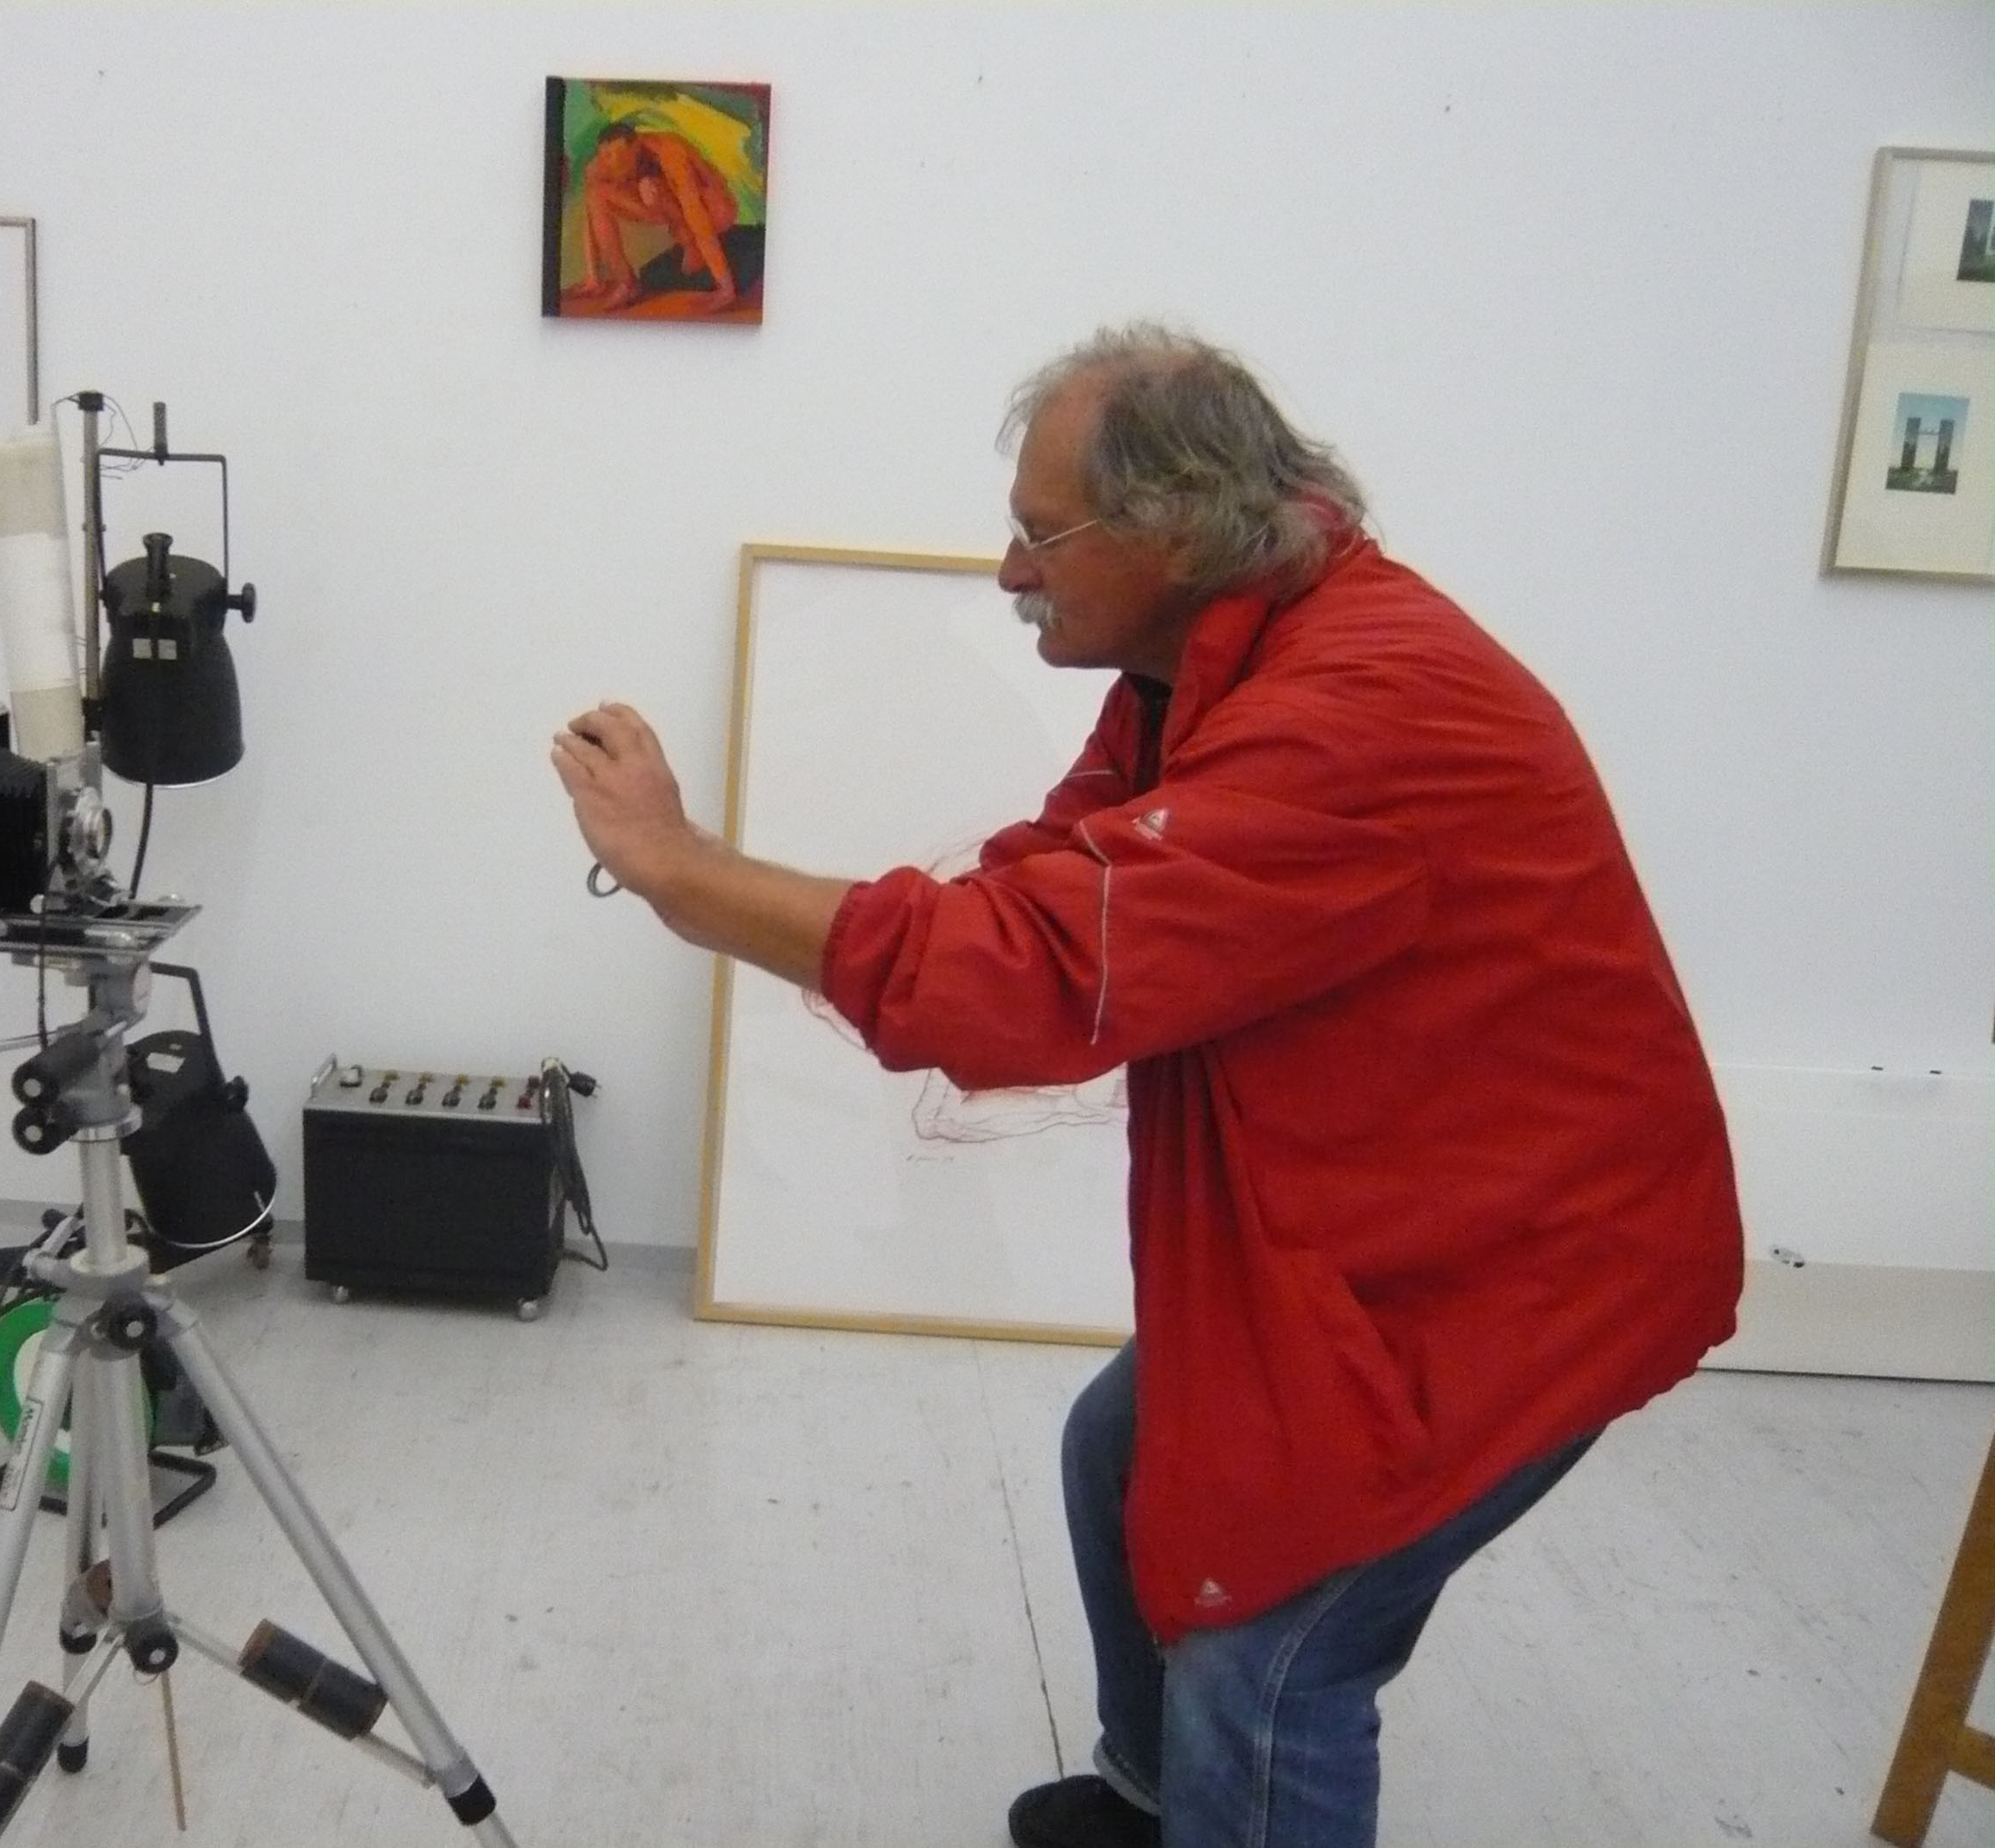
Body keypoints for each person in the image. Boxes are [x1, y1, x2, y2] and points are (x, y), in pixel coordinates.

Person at [549, 323, 1743, 1848]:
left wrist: (687, 871)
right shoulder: (1222, 661)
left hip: (1515, 1273)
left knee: (1274, 1641)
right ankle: (1151, 1801)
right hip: (1401, 1228)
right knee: (1121, 1452)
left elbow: (1038, 972)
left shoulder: (1354, 716)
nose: (1009, 571)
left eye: (1040, 535)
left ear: (1173, 529)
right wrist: (807, 910)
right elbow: (1056, 887)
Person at [567, 121, 755, 314]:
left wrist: (725, 288)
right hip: (669, 207)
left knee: (653, 187)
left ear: (635, 147)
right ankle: (628, 283)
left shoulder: (670, 152)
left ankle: (690, 242)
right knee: (597, 196)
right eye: (605, 157)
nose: (612, 166)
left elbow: (696, 213)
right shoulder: (598, 168)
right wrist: (593, 275)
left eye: (620, 160)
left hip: (715, 208)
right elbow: (591, 216)